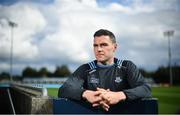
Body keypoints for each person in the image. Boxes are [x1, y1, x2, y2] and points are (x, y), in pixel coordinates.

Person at [58, 29, 151, 111]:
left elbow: (145, 89)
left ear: (115, 47)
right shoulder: (86, 69)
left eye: (103, 45)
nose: (98, 49)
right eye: (95, 45)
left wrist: (119, 95)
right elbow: (63, 90)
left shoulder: (126, 66)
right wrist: (86, 94)